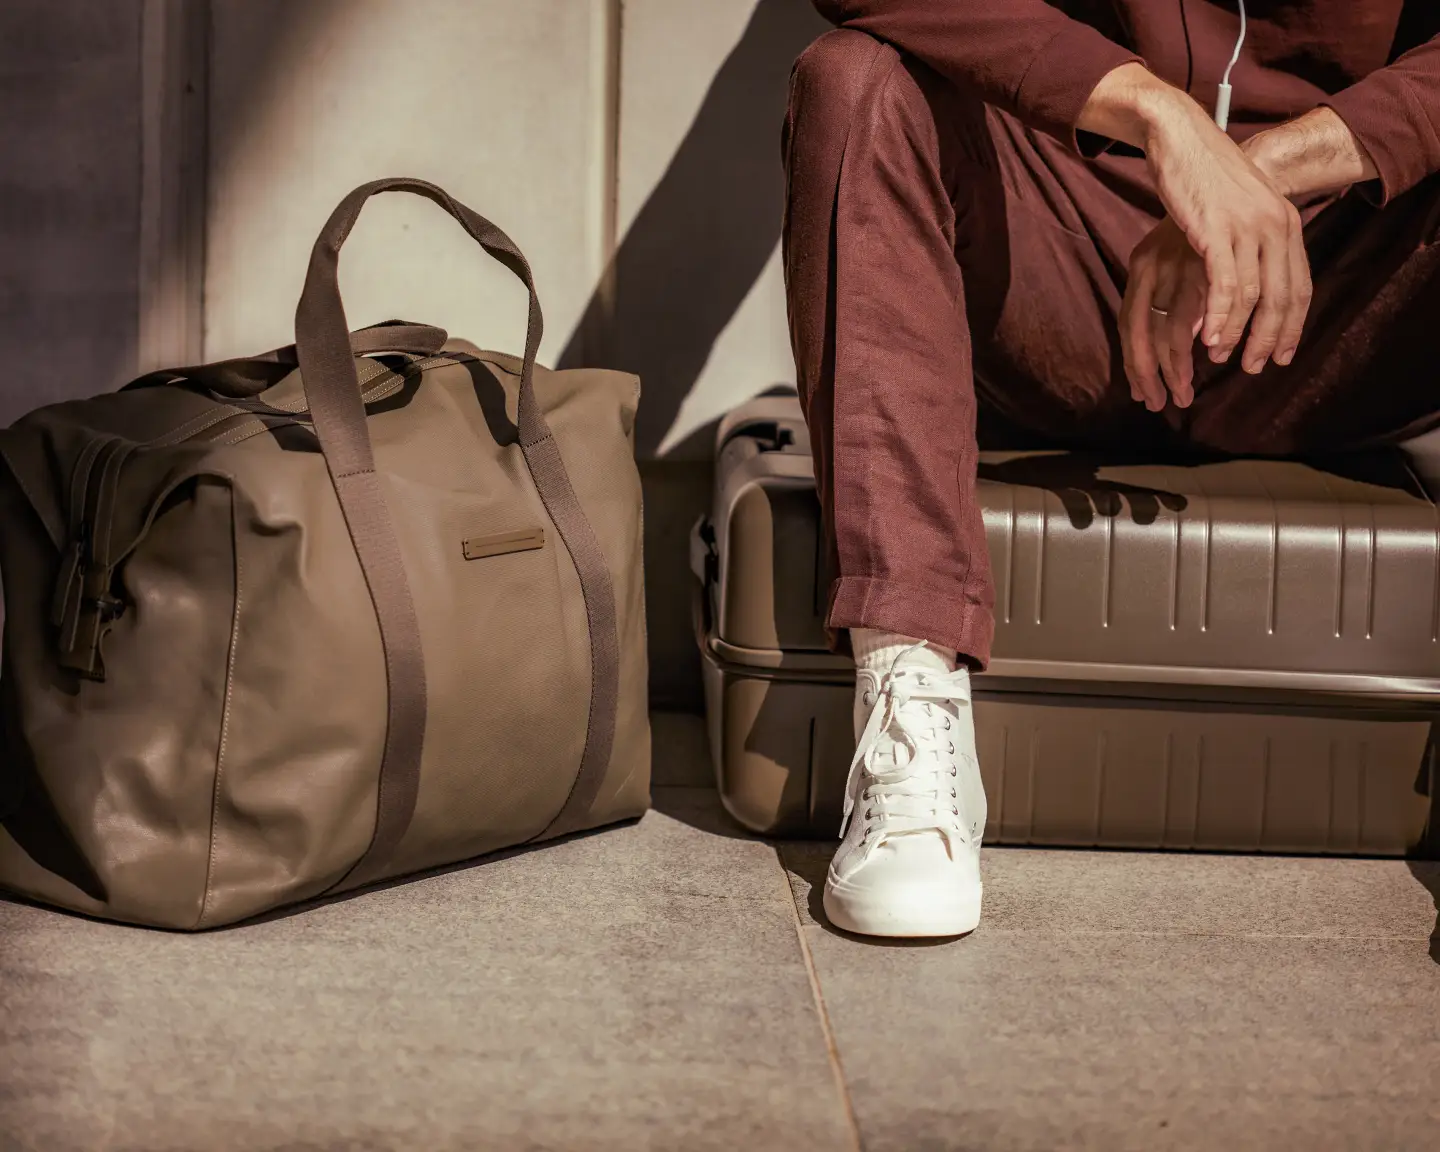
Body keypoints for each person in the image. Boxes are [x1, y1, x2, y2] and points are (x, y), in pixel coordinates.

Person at [781, 1, 1440, 938]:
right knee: (859, 80)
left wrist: (1253, 172)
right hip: (1064, 266)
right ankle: (909, 717)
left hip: (1339, 289)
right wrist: (1159, 118)